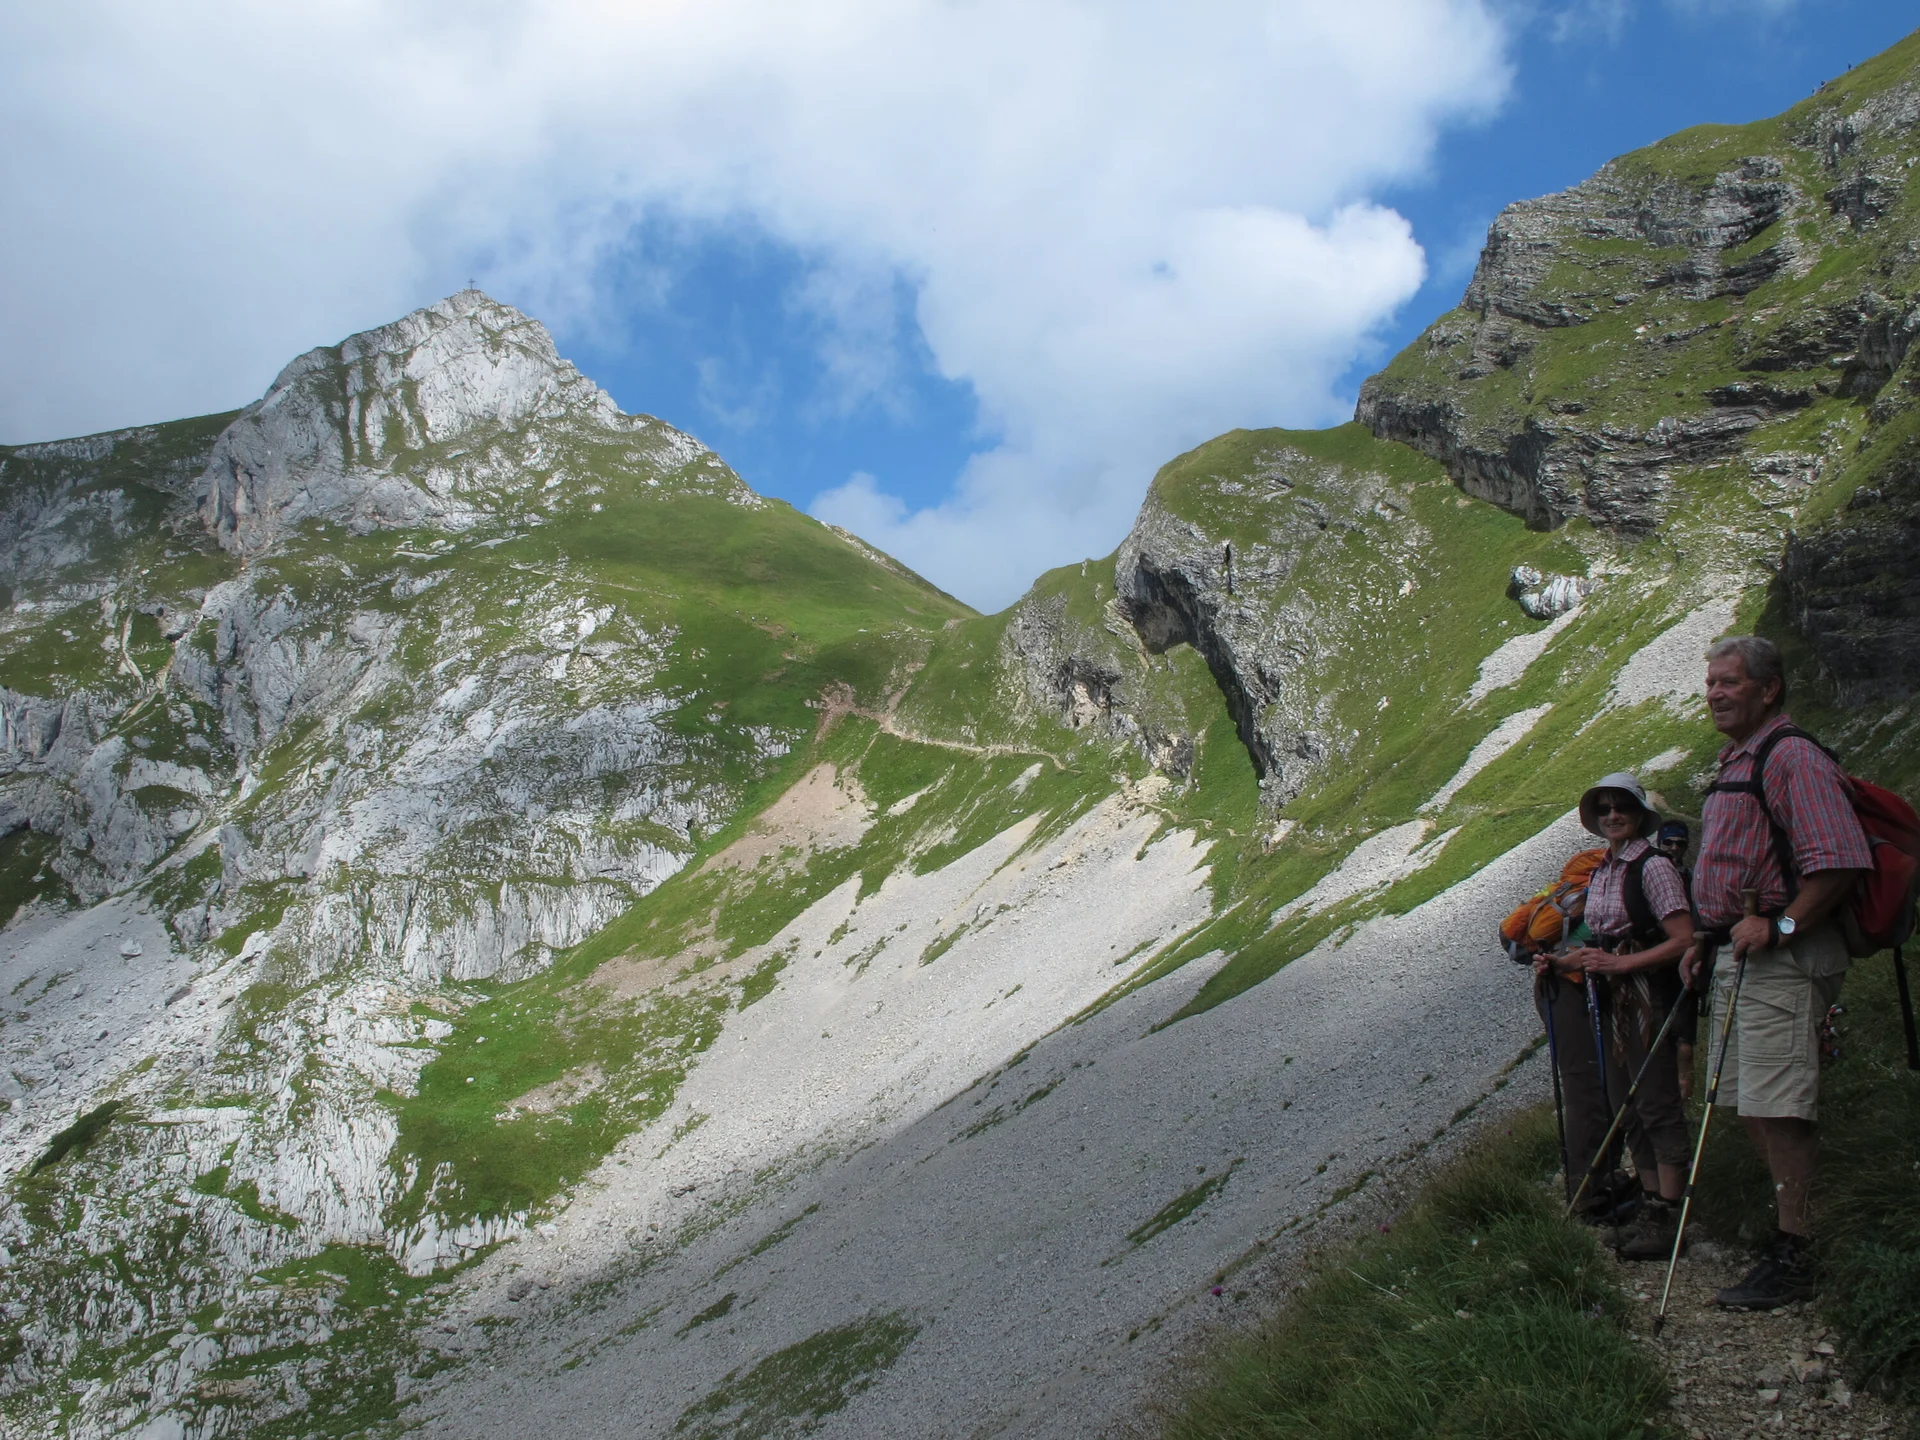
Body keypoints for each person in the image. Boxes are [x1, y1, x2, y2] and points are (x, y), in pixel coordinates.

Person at [1683, 635, 1872, 1310]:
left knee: (1780, 1105)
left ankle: (1800, 1252)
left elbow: (1842, 861)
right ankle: (1793, 1232)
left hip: (1785, 959)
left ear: (1770, 689)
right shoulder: (1740, 758)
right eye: (1710, 684)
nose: (1715, 694)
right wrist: (1705, 940)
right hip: (1741, 958)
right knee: (1753, 1104)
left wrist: (1781, 924)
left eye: (1730, 682)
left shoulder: (1792, 756)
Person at [1555, 774, 1696, 1259]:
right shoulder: (1604, 868)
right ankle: (1654, 1202)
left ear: (1639, 815)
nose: (1613, 815)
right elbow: (1600, 939)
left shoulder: (1652, 866)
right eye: (1605, 809)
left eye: (1623, 808)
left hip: (1646, 993)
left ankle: (1671, 1212)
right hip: (1614, 998)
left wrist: (1621, 964)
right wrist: (1561, 962)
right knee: (1627, 1103)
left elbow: (1683, 938)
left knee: (1655, 1099)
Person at [1655, 819, 1702, 1098]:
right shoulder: (1649, 876)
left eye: (1679, 844)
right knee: (1660, 1040)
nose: (1674, 848)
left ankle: (1682, 1103)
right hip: (1655, 964)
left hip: (1685, 965)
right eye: (1668, 843)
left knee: (1685, 1043)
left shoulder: (1692, 878)